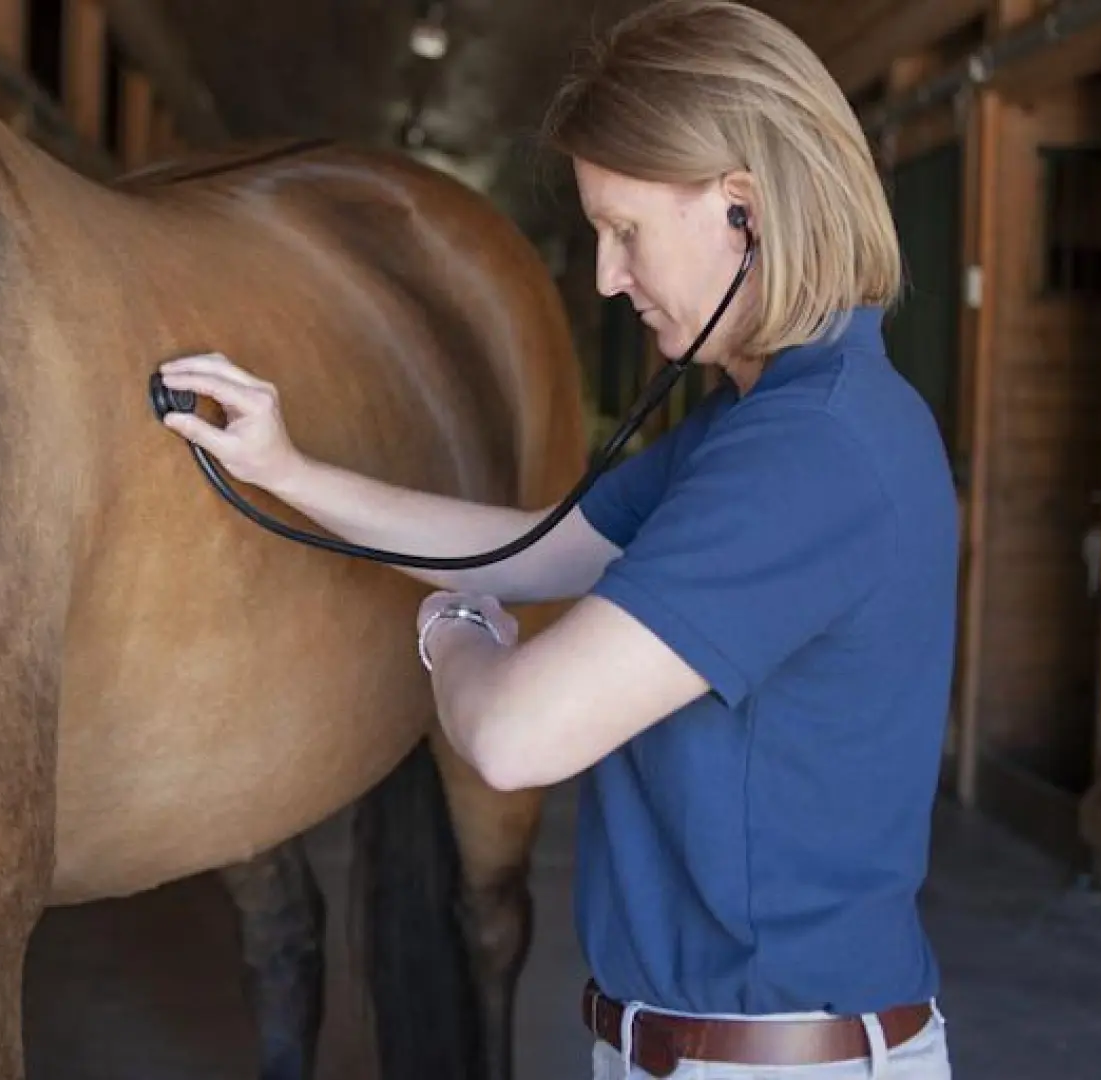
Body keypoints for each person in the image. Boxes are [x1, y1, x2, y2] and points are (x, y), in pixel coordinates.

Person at [153, 1, 959, 1075]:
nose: (607, 277)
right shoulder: (767, 421)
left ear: (744, 212)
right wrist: (289, 470)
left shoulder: (810, 457)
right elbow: (536, 546)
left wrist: (453, 631)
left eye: (625, 230)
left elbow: (515, 735)